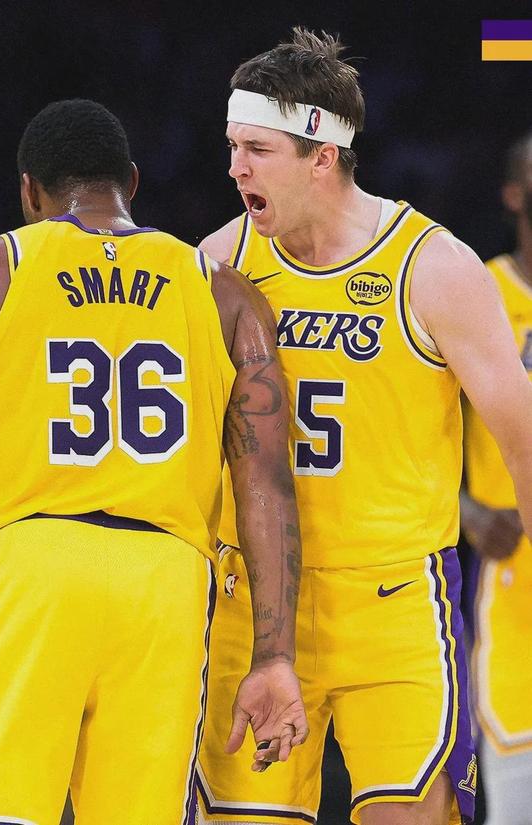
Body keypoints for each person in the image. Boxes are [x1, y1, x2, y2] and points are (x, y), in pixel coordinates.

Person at [0, 99, 308, 825]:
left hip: (34, 566)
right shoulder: (226, 291)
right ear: (131, 182)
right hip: (168, 584)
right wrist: (273, 656)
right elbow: (266, 483)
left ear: (28, 192)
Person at [195, 29, 532, 825]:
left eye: (256, 149)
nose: (236, 168)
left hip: (394, 603)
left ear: (322, 156)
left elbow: (522, 440)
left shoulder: (433, 266)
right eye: (232, 147)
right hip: (256, 604)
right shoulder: (218, 261)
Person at [462, 131, 532, 824]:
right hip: (515, 592)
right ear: (514, 193)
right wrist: (469, 513)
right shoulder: (476, 292)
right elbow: (411, 433)